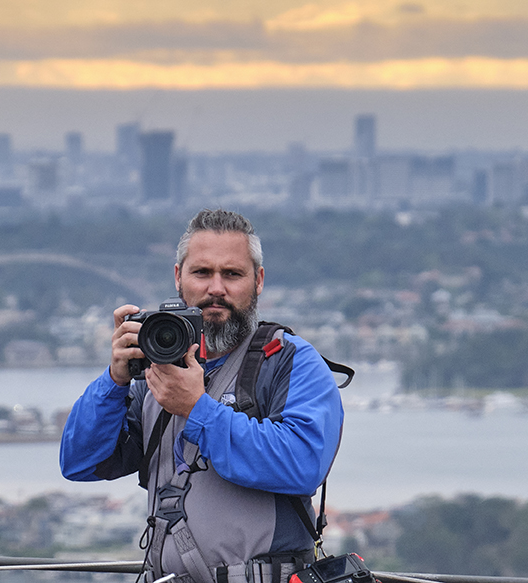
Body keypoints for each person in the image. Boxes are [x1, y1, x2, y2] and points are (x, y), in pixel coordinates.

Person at [60, 209, 344, 583]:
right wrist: (115, 380)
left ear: (258, 281)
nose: (216, 289)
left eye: (232, 274)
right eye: (202, 273)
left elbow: (303, 464)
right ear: (179, 278)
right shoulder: (156, 368)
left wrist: (197, 410)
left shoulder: (290, 361)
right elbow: (80, 463)